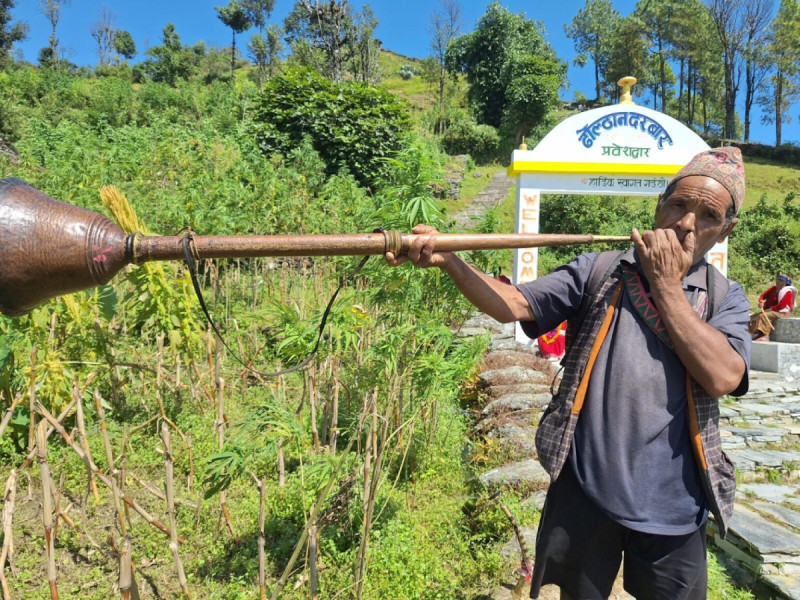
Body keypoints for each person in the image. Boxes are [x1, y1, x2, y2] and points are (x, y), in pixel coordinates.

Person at [386, 146, 752, 600]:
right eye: (678, 204)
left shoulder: (725, 299)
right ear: (659, 204)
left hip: (674, 502)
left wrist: (665, 284)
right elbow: (513, 305)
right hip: (585, 488)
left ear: (725, 230)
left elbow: (723, 378)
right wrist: (450, 261)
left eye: (708, 215)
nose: (686, 224)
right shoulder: (600, 269)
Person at [748, 274, 797, 339]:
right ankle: (753, 333)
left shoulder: (788, 292)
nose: (778, 282)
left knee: (763, 316)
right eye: (778, 280)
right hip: (770, 310)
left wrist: (771, 309)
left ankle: (765, 335)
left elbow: (782, 306)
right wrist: (761, 302)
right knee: (752, 317)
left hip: (782, 312)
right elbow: (763, 296)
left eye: (781, 281)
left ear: (785, 283)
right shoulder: (773, 289)